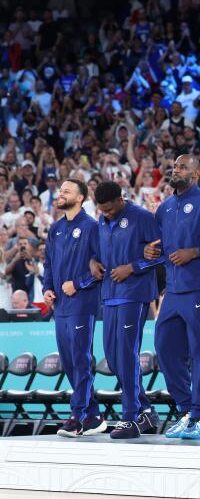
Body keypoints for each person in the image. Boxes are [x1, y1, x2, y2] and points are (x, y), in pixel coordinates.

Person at [143, 155, 200, 440]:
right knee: (164, 348)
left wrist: (196, 252)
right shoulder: (164, 208)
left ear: (197, 172)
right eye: (174, 166)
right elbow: (158, 245)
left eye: (182, 167)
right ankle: (187, 409)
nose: (175, 170)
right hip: (173, 291)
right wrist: (151, 252)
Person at [89, 181, 162, 439]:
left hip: (135, 294)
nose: (107, 214)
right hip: (109, 295)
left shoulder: (142, 217)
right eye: (103, 210)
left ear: (121, 199)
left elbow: (162, 254)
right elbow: (96, 252)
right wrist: (93, 263)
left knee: (127, 353)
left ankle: (130, 417)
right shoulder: (100, 220)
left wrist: (132, 267)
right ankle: (146, 411)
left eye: (110, 209)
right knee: (112, 356)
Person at [43, 179, 105, 437]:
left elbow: (102, 267)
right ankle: (93, 415)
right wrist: (48, 287)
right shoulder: (55, 228)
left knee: (80, 359)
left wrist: (78, 284)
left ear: (80, 198)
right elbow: (48, 262)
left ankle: (77, 415)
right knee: (69, 362)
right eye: (60, 191)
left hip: (82, 303)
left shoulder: (91, 227)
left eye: (66, 191)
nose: (61, 194)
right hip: (60, 305)